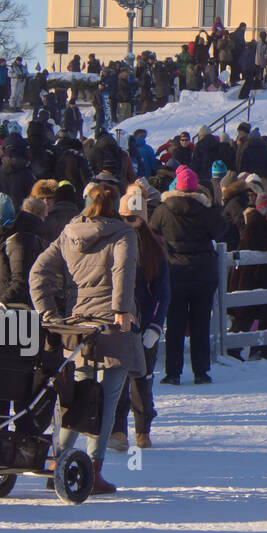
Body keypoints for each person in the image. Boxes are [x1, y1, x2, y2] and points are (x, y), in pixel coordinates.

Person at [28, 180, 143, 494]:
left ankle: (58, 465)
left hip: (80, 324)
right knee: (107, 399)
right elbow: (123, 270)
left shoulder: (69, 232)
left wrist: (48, 315)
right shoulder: (123, 233)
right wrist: (121, 311)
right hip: (112, 326)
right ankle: (93, 469)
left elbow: (38, 272)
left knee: (75, 395)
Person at [149, 165, 227, 385]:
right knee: (200, 323)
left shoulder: (163, 209)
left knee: (174, 323)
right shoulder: (205, 209)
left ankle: (173, 372)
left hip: (174, 271)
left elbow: (153, 232)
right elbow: (220, 230)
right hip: (203, 271)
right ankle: (201, 371)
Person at [112, 185, 170, 451]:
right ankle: (117, 430)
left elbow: (162, 290)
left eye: (133, 218)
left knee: (142, 381)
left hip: (144, 322)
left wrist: (155, 326)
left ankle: (142, 428)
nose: (129, 223)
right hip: (117, 322)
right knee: (116, 379)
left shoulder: (153, 248)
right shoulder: (112, 244)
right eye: (125, 218)